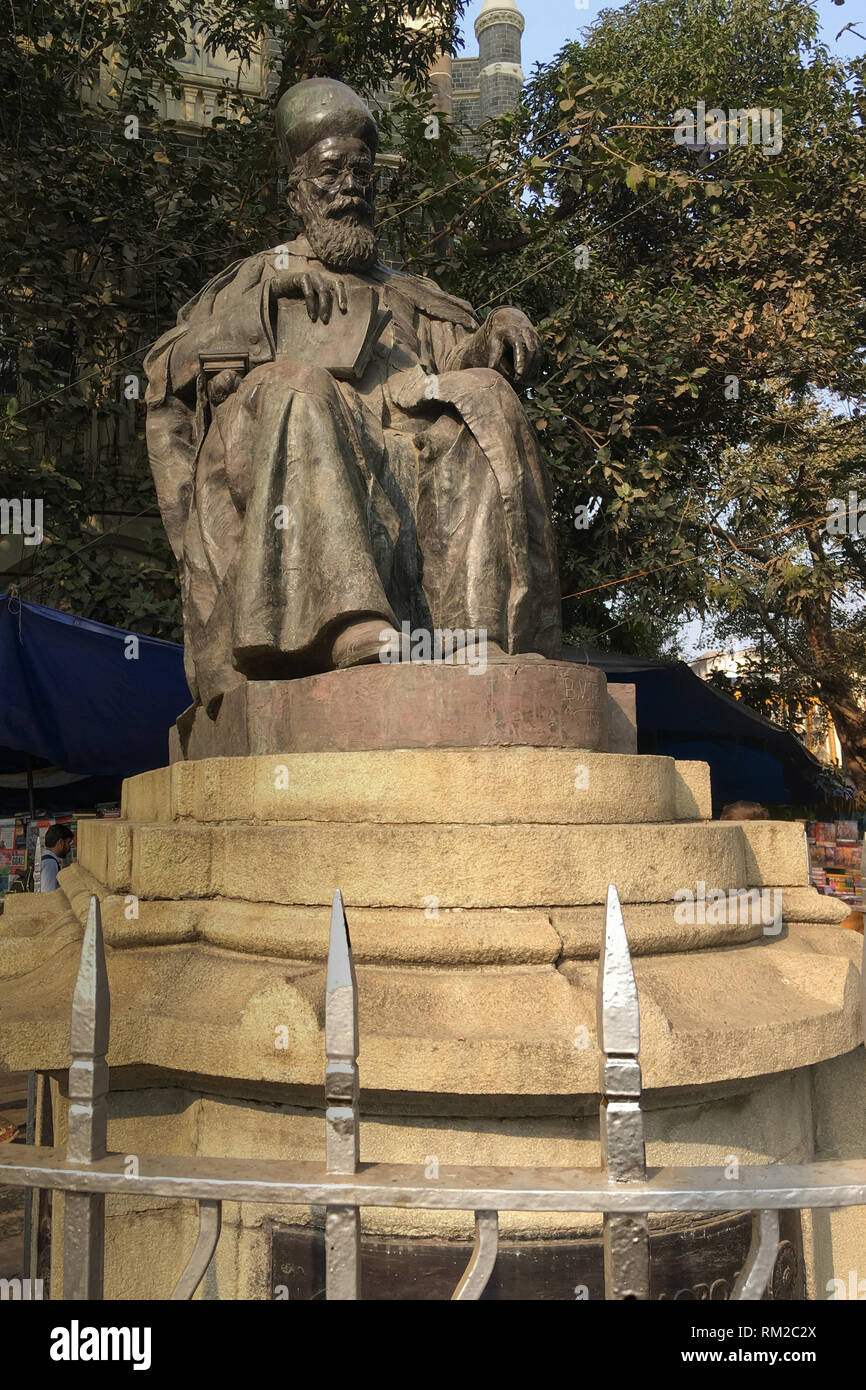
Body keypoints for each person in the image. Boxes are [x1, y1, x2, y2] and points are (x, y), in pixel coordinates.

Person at [144, 78, 562, 715]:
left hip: (400, 452)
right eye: (329, 172)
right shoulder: (258, 275)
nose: (350, 188)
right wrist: (267, 311)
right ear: (297, 191)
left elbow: (452, 365)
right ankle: (345, 626)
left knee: (482, 398)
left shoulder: (412, 291)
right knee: (299, 386)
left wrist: (493, 332)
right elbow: (168, 368)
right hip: (288, 443)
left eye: (362, 173)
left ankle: (473, 636)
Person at [41, 824, 73, 893]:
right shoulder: (50, 863)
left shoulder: (45, 858)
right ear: (61, 842)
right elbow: (48, 895)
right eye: (68, 843)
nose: (69, 847)